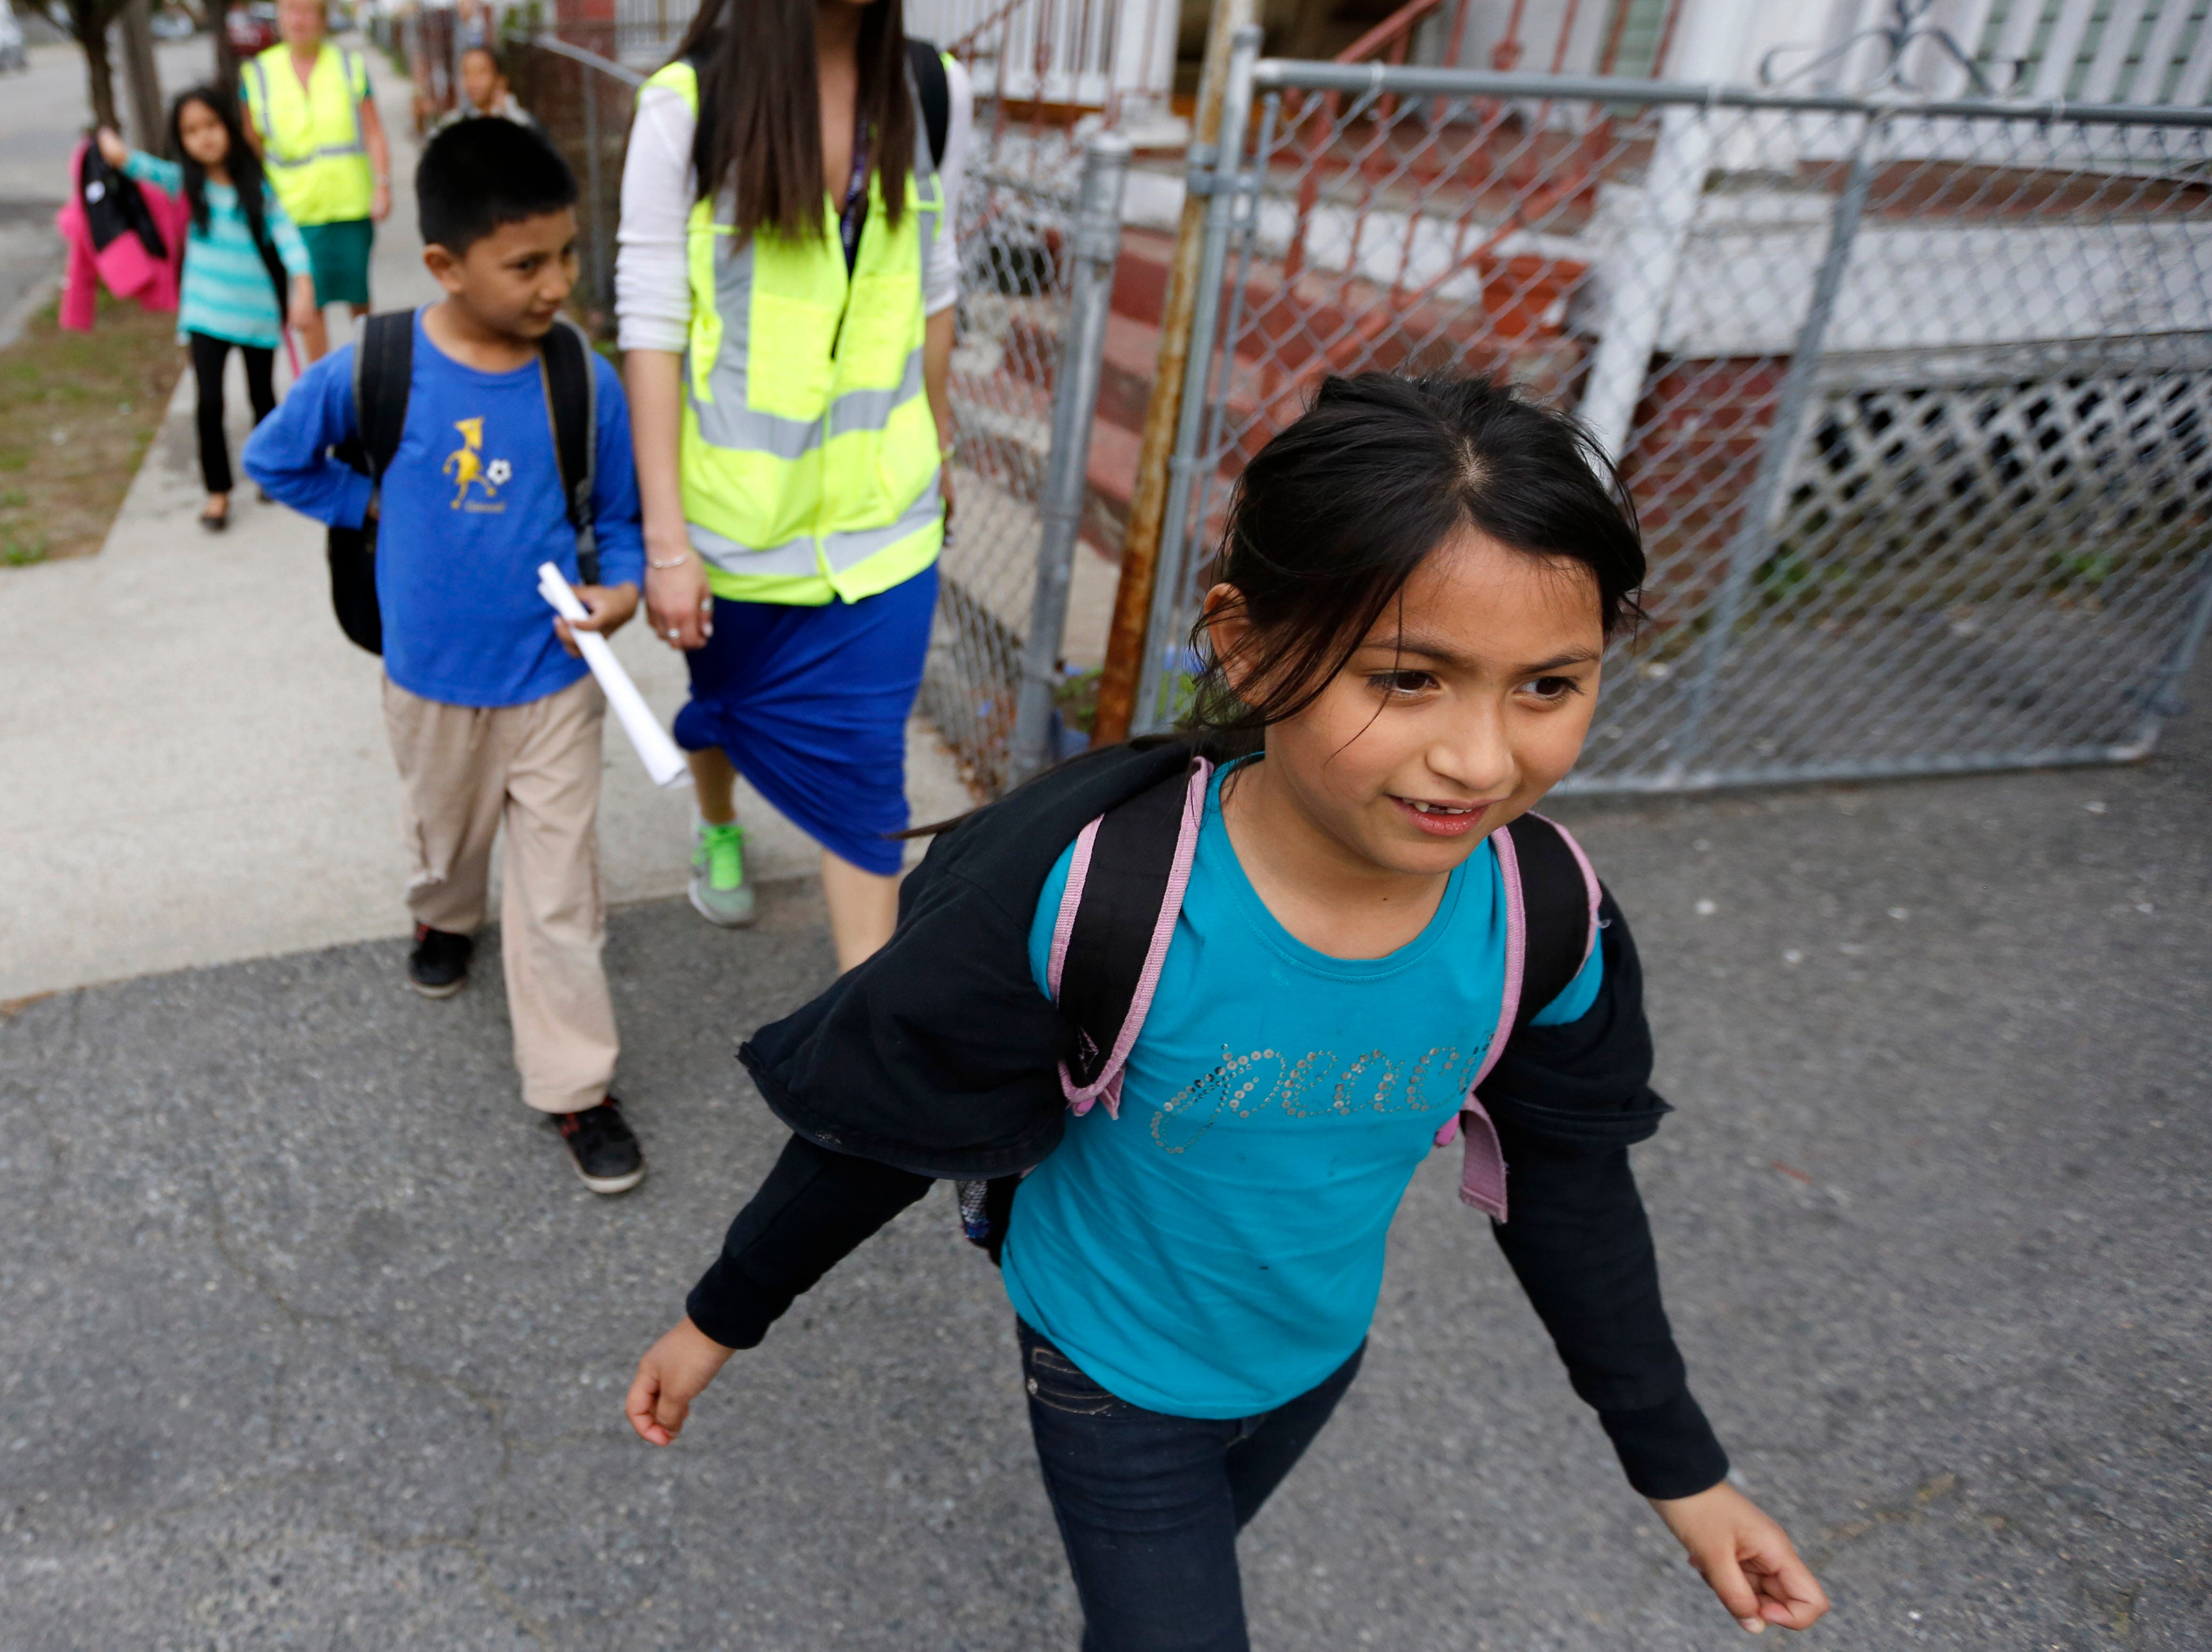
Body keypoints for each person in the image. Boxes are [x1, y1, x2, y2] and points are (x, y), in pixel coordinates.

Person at [625, 376, 1835, 1649]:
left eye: (1545, 684)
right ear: (1245, 641)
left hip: (1309, 1359)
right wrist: (722, 1312)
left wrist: (1680, 1470)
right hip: (1107, 1376)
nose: (1481, 757)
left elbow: (1568, 1184)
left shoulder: (1544, 917)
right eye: (1408, 677)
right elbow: (877, 1122)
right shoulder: (1082, 886)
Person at [243, 118, 653, 1196]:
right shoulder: (377, 365)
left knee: (559, 896)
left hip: (555, 684)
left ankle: (576, 1086)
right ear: (445, 265)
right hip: (429, 686)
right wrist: (369, 499)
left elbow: (624, 514)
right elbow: (274, 457)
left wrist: (624, 590)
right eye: (527, 263)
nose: (555, 282)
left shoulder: (581, 377)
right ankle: (445, 910)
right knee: (447, 838)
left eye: (566, 254)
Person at [616, 0, 973, 972]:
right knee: (719, 710)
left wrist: (935, 442)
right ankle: (715, 825)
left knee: (864, 790)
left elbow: (933, 293)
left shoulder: (929, 90)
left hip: (881, 528)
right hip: (731, 527)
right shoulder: (688, 106)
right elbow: (649, 330)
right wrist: (665, 541)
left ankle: (862, 1041)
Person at [96, 88, 324, 531]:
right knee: (210, 403)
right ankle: (217, 492)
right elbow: (138, 166)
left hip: (256, 312)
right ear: (181, 140)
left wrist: (303, 287)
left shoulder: (256, 187)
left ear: (229, 128)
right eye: (191, 131)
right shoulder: (185, 183)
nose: (203, 138)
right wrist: (109, 143)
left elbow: (288, 236)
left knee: (263, 399)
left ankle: (266, 470)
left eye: (210, 126)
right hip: (204, 314)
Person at [240, 0, 392, 348]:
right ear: (279, 16)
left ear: (323, 18)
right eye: (290, 10)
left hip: (349, 205)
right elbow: (251, 144)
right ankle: (321, 388)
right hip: (294, 210)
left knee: (358, 296)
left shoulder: (347, 65)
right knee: (311, 305)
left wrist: (382, 185)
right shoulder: (258, 73)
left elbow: (374, 133)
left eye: (308, 11)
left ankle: (366, 373)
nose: (299, 20)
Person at [454, 44, 536, 131]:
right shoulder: (457, 124)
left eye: (481, 72)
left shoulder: (523, 123)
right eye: (467, 73)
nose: (472, 81)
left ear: (500, 79)